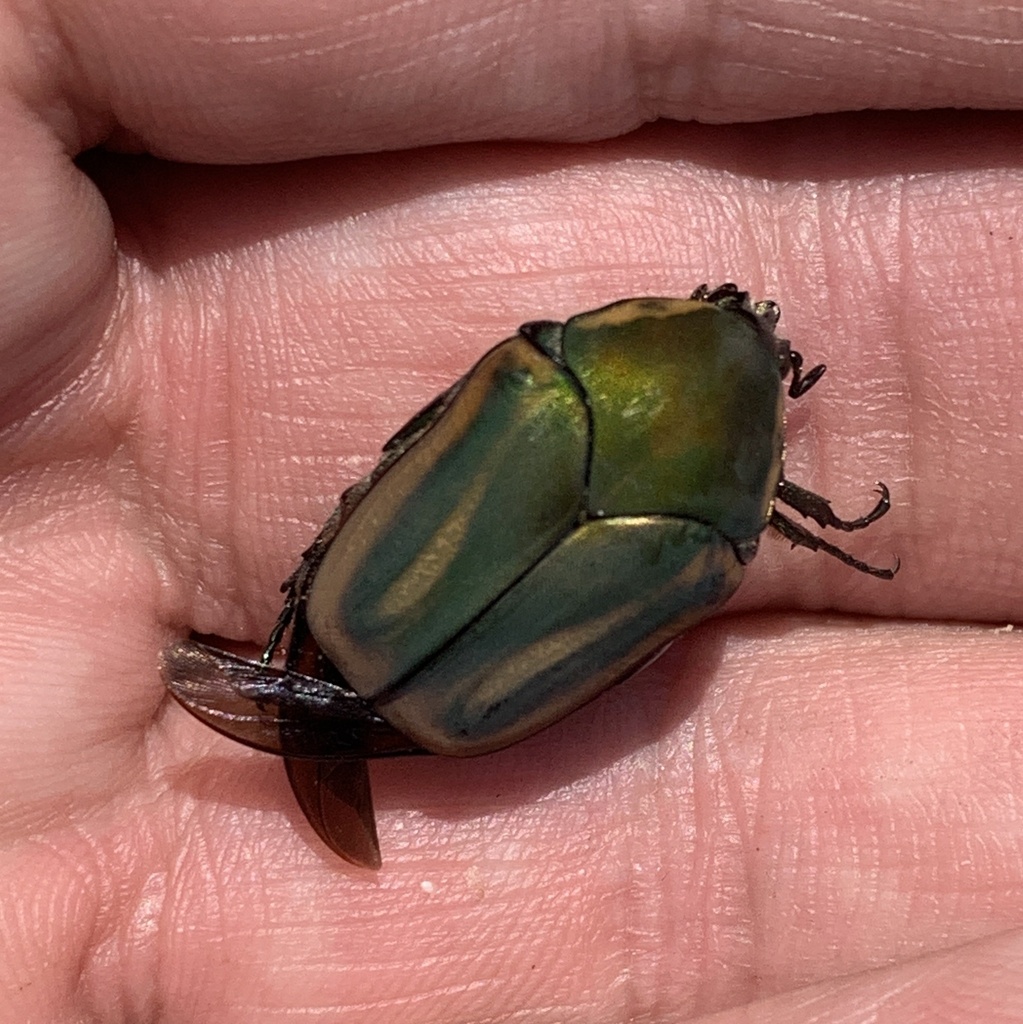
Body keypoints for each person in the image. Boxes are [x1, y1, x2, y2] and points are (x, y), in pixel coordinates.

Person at [1, 1, 1019, 1019]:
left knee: (367, 600)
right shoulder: (714, 548)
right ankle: (318, 705)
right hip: (460, 686)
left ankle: (317, 699)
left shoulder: (539, 377)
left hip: (391, 621)